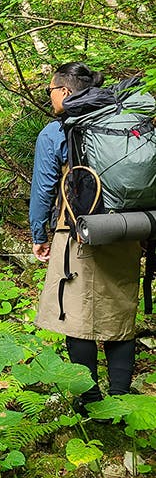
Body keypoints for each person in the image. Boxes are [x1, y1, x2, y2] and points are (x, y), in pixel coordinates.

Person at [30, 62, 142, 413]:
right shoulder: (126, 122)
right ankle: (121, 398)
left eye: (50, 90)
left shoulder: (57, 131)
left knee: (75, 316)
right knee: (120, 313)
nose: (50, 97)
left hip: (78, 233)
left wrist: (39, 233)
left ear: (64, 91)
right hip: (127, 228)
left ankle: (89, 399)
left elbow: (44, 188)